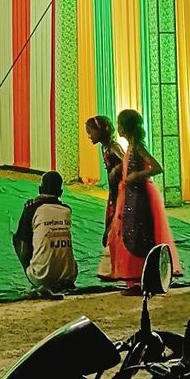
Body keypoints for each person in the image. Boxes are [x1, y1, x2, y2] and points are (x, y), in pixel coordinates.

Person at [109, 109, 181, 292]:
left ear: (125, 127)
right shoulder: (130, 147)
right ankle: (134, 278)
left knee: (138, 234)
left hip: (139, 196)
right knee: (129, 232)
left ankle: (140, 278)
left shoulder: (138, 147)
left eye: (120, 124)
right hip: (131, 195)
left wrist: (137, 175)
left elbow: (157, 167)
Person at [12, 171, 78, 300]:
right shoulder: (67, 210)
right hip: (69, 276)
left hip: (42, 277)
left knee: (18, 239)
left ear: (39, 189)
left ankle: (34, 273)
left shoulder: (32, 209)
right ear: (60, 193)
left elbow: (24, 245)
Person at [85, 115, 124, 278]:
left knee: (115, 228)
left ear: (100, 131)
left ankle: (117, 267)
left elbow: (128, 161)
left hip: (121, 193)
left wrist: (117, 169)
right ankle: (114, 266)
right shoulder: (104, 148)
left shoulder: (114, 147)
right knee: (110, 227)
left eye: (91, 132)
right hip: (113, 193)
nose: (89, 136)